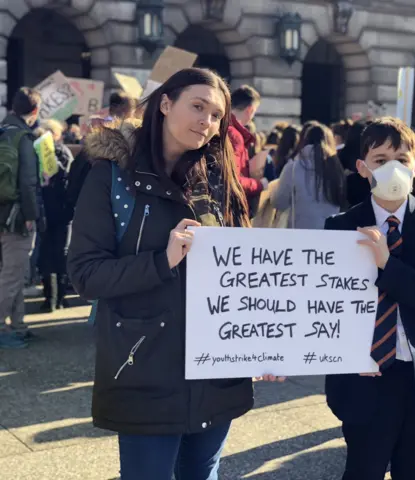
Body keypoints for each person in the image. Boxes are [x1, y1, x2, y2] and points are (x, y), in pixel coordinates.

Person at [67, 68, 282, 480]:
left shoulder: (219, 180)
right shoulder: (111, 176)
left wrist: (264, 342)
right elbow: (86, 274)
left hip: (217, 370)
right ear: (165, 104)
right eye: (197, 107)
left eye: (217, 114)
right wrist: (162, 260)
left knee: (203, 473)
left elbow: (244, 272)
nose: (206, 121)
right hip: (145, 368)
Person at [324, 117, 415, 480]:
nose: (392, 169)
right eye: (380, 160)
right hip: (364, 377)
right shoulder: (340, 227)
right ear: (362, 168)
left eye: (401, 160)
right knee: (362, 469)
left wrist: (388, 264)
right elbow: (325, 305)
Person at [0, 87, 42, 349]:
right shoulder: (23, 138)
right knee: (13, 275)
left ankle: (18, 325)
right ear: (35, 111)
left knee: (9, 271)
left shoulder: (3, 130)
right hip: (16, 215)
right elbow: (27, 183)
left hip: (1, 212)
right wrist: (31, 215)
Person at [271, 123, 345, 229]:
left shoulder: (293, 167)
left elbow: (279, 202)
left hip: (300, 232)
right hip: (330, 232)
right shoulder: (336, 167)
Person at [37, 119, 74, 312]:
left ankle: (59, 297)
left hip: (60, 212)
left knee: (59, 254)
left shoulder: (62, 152)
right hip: (49, 212)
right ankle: (50, 298)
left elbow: (66, 177)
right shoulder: (40, 153)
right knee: (48, 255)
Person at [228, 85, 268, 211]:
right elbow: (233, 180)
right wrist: (259, 184)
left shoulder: (222, 127)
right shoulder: (234, 135)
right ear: (250, 110)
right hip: (230, 207)